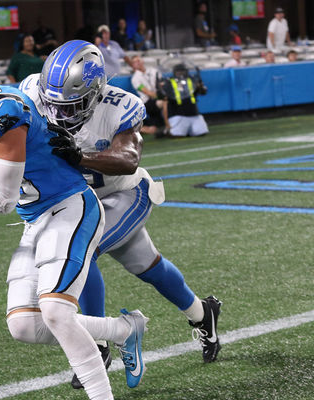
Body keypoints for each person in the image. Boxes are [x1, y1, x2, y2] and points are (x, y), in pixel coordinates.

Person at [0, 39, 148, 399]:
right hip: (38, 216)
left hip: (71, 207)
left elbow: (1, 199)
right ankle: (124, 330)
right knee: (23, 324)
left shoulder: (0, 111)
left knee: (55, 312)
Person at [20, 41, 222, 390]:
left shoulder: (120, 105)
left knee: (82, 247)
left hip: (124, 193)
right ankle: (203, 314)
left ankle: (98, 346)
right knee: (150, 267)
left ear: (96, 92)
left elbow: (129, 159)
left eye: (72, 105)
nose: (59, 114)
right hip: (77, 199)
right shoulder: (31, 91)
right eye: (54, 104)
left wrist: (77, 157)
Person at [161, 63, 209, 137]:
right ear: (174, 73)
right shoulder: (169, 82)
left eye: (182, 71)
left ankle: (189, 130)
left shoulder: (193, 80)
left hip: (194, 114)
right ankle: (169, 131)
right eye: (178, 72)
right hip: (178, 115)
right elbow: (162, 96)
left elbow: (203, 92)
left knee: (202, 132)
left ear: (186, 71)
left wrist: (200, 87)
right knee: (178, 135)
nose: (180, 74)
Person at [130, 55, 164, 135]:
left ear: (142, 61)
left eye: (138, 60)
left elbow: (161, 84)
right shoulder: (135, 78)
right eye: (135, 62)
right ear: (133, 65)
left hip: (158, 98)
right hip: (148, 102)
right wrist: (161, 96)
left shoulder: (154, 71)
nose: (137, 63)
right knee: (163, 102)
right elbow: (147, 92)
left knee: (156, 128)